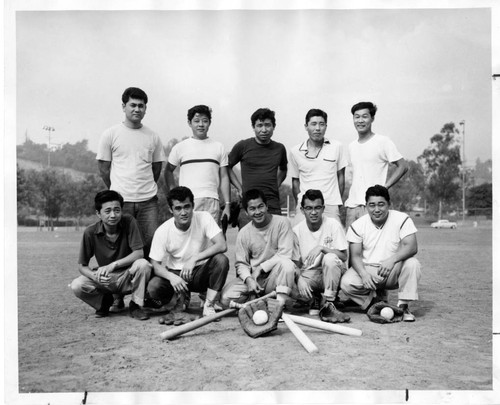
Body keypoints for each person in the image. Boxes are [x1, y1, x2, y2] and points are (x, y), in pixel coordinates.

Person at [97, 87, 166, 312]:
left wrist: (143, 189)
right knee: (120, 249)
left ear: (146, 108)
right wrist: (117, 193)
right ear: (124, 106)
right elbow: (104, 168)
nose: (137, 109)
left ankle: (144, 296)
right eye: (132, 105)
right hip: (122, 203)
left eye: (141, 105)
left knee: (149, 248)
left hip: (148, 202)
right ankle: (117, 297)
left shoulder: (153, 136)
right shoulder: (110, 134)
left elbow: (157, 169)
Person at [146, 186, 230, 320]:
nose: (183, 212)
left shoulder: (204, 217)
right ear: (170, 210)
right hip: (176, 274)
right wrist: (171, 277)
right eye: (178, 208)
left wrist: (194, 258)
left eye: (187, 207)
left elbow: (222, 244)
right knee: (153, 287)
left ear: (193, 206)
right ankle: (178, 299)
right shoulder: (163, 231)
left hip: (199, 272)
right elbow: (154, 264)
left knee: (221, 260)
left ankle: (209, 304)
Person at [340, 185, 422, 321]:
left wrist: (392, 260)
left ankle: (403, 306)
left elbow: (412, 247)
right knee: (346, 283)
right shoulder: (358, 225)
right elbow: (355, 256)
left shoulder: (402, 218)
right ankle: (375, 303)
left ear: (389, 204)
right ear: (366, 206)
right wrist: (364, 274)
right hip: (369, 269)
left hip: (392, 269)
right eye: (372, 205)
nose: (376, 209)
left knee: (413, 263)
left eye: (381, 204)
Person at [70, 190, 153, 320]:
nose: (113, 215)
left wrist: (113, 265)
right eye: (108, 211)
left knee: (143, 265)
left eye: (117, 210)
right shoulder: (90, 232)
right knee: (77, 285)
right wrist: (94, 276)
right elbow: (82, 266)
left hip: (128, 275)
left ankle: (136, 305)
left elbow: (139, 253)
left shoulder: (129, 222)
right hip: (106, 279)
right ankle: (104, 302)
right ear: (98, 213)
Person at [220, 189, 296, 306]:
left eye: (260, 206)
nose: (258, 212)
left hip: (276, 277)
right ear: (246, 212)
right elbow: (241, 263)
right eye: (252, 209)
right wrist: (249, 279)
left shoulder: (282, 223)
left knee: (287, 265)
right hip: (255, 278)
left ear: (266, 206)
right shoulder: (244, 232)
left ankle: (278, 306)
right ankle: (261, 299)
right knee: (226, 299)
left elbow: (285, 254)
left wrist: (260, 268)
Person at [345, 102, 408, 230]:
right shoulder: (351, 146)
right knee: (351, 248)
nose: (360, 120)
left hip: (372, 206)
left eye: (365, 116)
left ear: (372, 118)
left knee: (373, 247)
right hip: (352, 207)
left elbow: (403, 166)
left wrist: (385, 187)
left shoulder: (382, 142)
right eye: (357, 117)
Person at [164, 105, 231, 225]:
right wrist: (174, 194)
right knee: (189, 238)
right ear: (189, 123)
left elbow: (225, 177)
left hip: (212, 200)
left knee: (212, 240)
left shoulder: (218, 147)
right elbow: (168, 171)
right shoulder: (180, 147)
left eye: (205, 121)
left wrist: (227, 205)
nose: (201, 124)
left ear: (209, 123)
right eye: (196, 121)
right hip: (187, 201)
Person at [292, 189, 350, 322]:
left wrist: (323, 248)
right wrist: (299, 279)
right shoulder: (297, 230)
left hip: (331, 272)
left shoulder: (333, 224)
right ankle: (314, 298)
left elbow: (344, 256)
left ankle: (330, 302)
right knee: (288, 281)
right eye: (309, 208)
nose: (313, 212)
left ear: (323, 208)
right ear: (302, 210)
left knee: (329, 258)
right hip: (310, 274)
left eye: (317, 208)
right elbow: (294, 264)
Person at [228, 108, 288, 228]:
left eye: (267, 125)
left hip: (272, 204)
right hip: (249, 205)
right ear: (253, 127)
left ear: (273, 127)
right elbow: (227, 167)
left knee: (276, 242)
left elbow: (283, 169)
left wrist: (275, 184)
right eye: (259, 125)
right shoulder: (242, 146)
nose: (264, 130)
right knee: (248, 243)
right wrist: (240, 188)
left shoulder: (279, 148)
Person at [289, 109, 347, 224]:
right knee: (299, 238)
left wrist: (336, 203)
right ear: (306, 126)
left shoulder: (337, 146)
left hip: (330, 204)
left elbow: (341, 177)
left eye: (321, 124)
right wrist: (301, 203)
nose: (317, 128)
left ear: (326, 126)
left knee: (332, 240)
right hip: (305, 206)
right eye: (313, 124)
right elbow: (295, 181)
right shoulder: (295, 151)